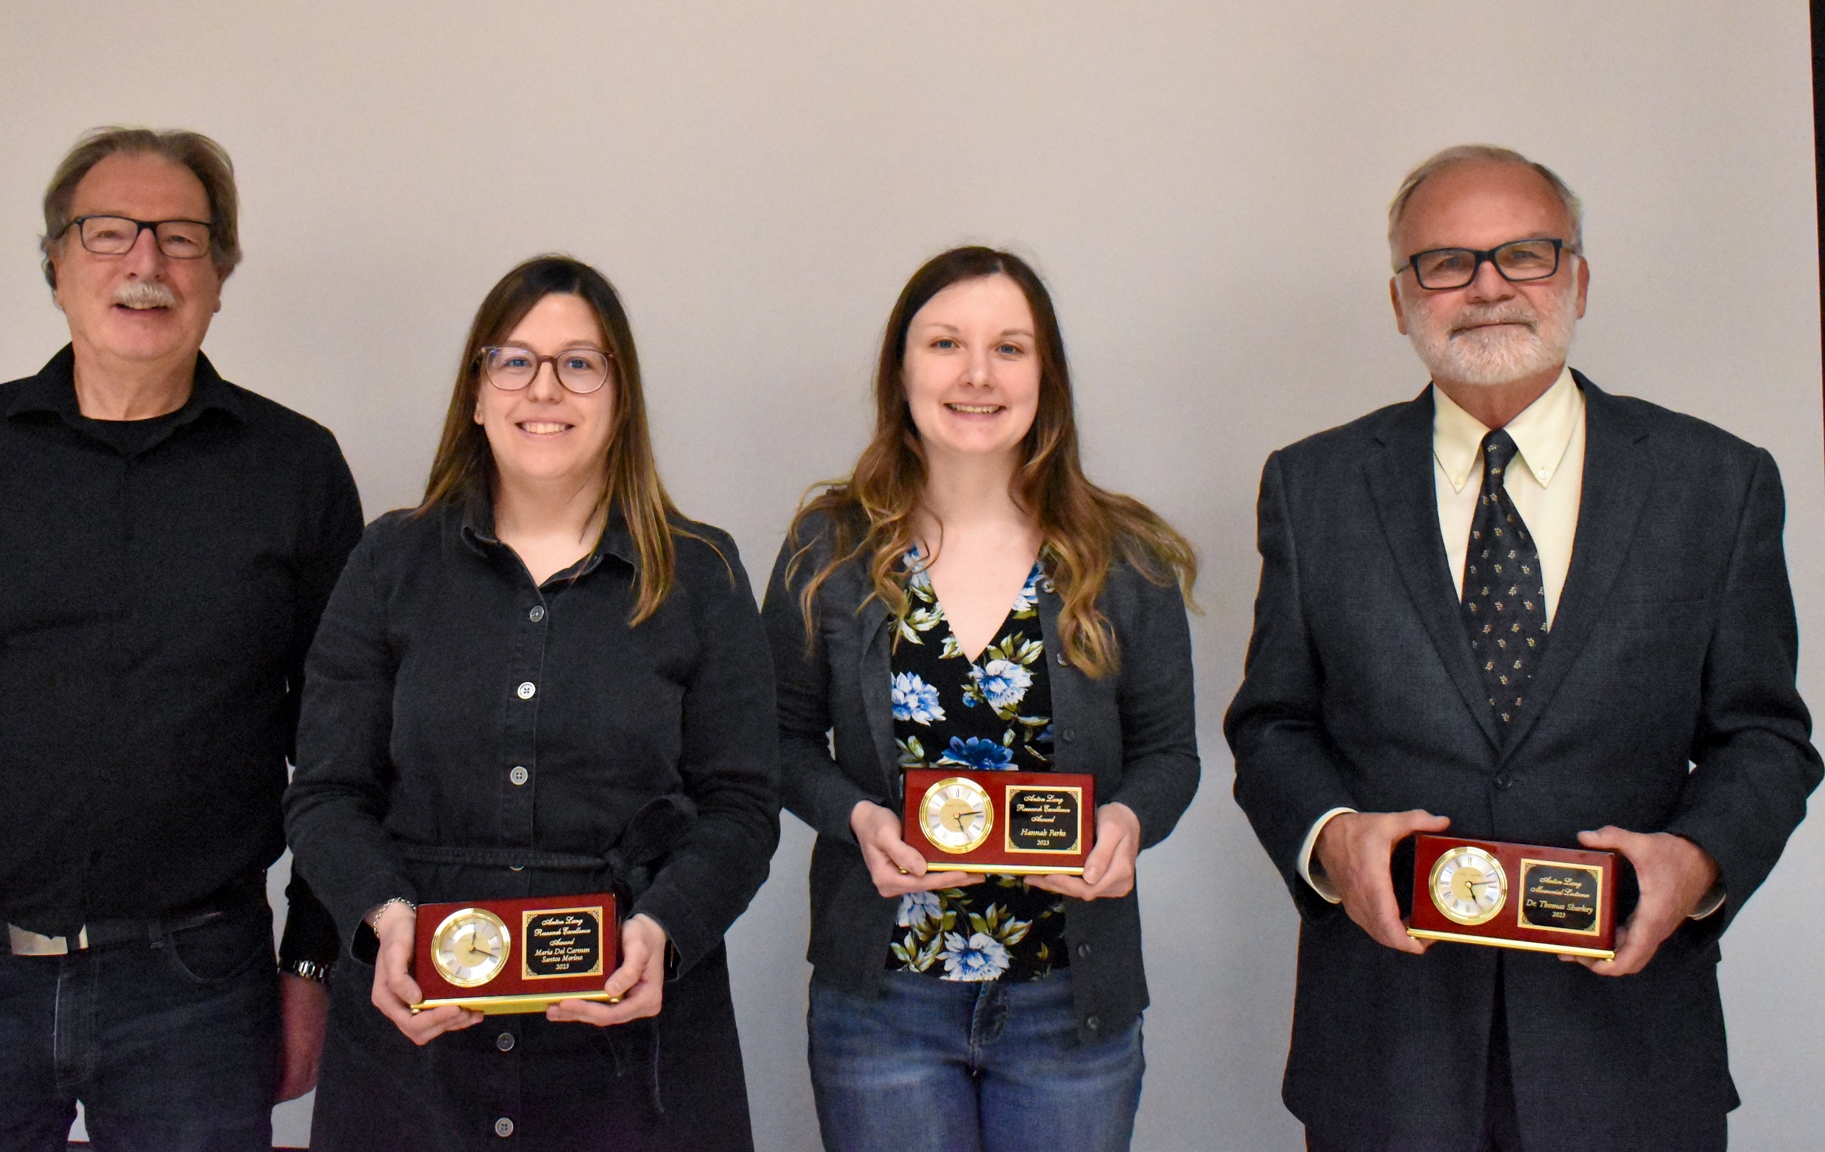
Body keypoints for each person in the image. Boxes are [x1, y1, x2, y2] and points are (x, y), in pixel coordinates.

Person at [1225, 144, 1822, 1151]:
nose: (1488, 285)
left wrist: (1697, 860)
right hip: (1385, 1049)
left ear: (1577, 279)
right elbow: (1273, 723)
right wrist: (1329, 837)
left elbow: (1762, 737)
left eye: (1525, 255)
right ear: (1399, 298)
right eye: (1446, 262)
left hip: (1626, 1048)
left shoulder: (1713, 483)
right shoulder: (1312, 484)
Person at [0, 127, 362, 1149]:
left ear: (221, 275)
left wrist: (311, 965)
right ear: (55, 263)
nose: (145, 263)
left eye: (181, 238)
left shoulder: (295, 469)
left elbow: (345, 749)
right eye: (108, 234)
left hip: (201, 990)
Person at [282, 255, 779, 1151]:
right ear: (476, 393)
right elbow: (325, 791)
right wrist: (385, 919)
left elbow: (741, 805)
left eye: (579, 363)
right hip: (416, 1052)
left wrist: (666, 927)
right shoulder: (388, 563)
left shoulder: (701, 574)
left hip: (634, 1058)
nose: (544, 387)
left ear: (619, 396)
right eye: (514, 360)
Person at [762, 246, 1201, 1152]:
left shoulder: (1123, 554)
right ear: (902, 369)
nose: (975, 374)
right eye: (945, 343)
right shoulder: (831, 548)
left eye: (1010, 347)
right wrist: (856, 821)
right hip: (882, 1001)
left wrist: (1125, 825)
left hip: (1069, 1003)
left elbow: (1171, 755)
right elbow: (779, 740)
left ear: (1047, 375)